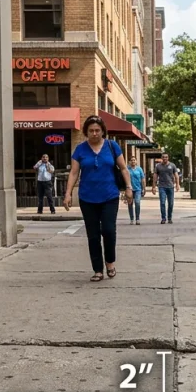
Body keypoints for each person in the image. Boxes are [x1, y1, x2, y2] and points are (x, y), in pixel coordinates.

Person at [64, 115, 134, 282]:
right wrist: (67, 193)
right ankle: (97, 270)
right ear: (86, 132)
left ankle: (110, 262)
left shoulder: (112, 146)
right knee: (93, 235)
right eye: (91, 131)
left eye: (97, 130)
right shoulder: (80, 149)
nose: (94, 133)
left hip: (109, 195)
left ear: (103, 131)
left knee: (109, 231)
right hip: (87, 197)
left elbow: (123, 168)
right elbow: (74, 172)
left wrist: (129, 187)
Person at [152, 152, 180, 224]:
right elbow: (155, 176)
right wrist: (154, 186)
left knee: (171, 203)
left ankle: (169, 217)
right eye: (163, 157)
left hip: (170, 187)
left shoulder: (172, 165)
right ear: (161, 158)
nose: (165, 158)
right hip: (162, 187)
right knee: (162, 203)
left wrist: (177, 184)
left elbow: (176, 175)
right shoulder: (158, 166)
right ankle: (163, 218)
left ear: (168, 158)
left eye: (166, 157)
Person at [126, 156, 145, 225]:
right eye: (131, 160)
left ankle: (137, 218)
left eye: (134, 160)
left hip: (138, 189)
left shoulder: (139, 169)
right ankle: (131, 219)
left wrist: (144, 188)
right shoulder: (127, 169)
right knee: (130, 204)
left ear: (136, 161)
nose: (133, 161)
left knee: (137, 203)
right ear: (129, 161)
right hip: (130, 189)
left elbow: (143, 179)